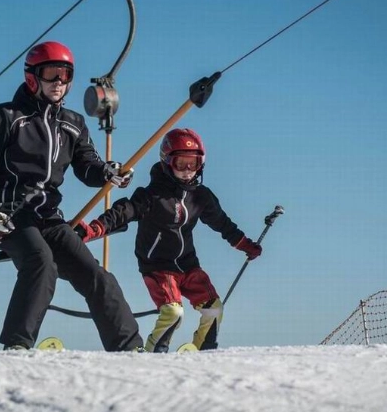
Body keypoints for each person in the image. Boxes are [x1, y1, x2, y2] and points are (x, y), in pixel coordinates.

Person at [0, 41, 144, 352]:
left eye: (65, 74)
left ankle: (129, 348)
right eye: (51, 74)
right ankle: (17, 345)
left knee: (97, 276)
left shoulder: (72, 124)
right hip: (10, 216)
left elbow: (87, 167)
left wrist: (107, 172)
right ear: (32, 76)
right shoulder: (4, 116)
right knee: (40, 261)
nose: (59, 82)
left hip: (49, 217)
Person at [75, 128, 262, 352]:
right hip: (158, 267)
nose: (187, 171)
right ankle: (155, 353)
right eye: (180, 163)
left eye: (193, 164)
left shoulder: (201, 196)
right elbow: (122, 213)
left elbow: (222, 223)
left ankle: (204, 352)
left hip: (188, 265)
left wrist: (245, 245)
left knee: (214, 308)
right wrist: (93, 229)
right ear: (166, 162)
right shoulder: (152, 196)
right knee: (173, 312)